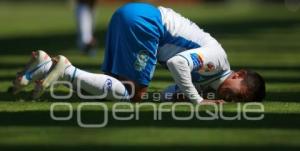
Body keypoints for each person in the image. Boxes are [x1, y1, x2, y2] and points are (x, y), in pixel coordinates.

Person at [11, 3, 265, 103]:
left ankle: (44, 66)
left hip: (131, 16)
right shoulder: (217, 60)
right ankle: (66, 69)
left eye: (239, 101)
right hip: (147, 22)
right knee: (132, 93)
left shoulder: (210, 81)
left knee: (111, 90)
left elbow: (166, 93)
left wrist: (180, 96)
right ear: (239, 74)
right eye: (240, 92)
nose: (233, 99)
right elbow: (178, 63)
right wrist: (197, 101)